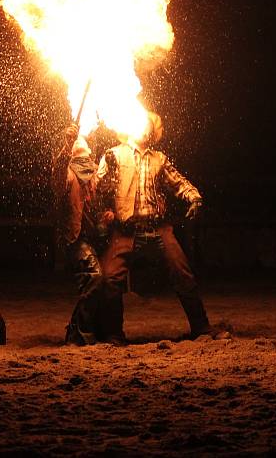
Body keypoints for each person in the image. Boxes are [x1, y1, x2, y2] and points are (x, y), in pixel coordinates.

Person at [96, 112, 229, 342]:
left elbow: (179, 183)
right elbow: (98, 189)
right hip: (127, 229)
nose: (145, 128)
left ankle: (201, 326)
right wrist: (105, 201)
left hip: (158, 228)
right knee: (109, 278)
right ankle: (113, 333)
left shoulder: (159, 158)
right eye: (141, 123)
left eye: (149, 126)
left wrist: (194, 197)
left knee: (182, 272)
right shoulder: (114, 155)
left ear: (153, 132)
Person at [52, 124, 118, 345]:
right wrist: (66, 145)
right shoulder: (68, 175)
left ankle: (99, 331)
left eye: (88, 154)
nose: (86, 159)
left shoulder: (94, 177)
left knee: (106, 280)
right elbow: (58, 169)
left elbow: (102, 205)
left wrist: (107, 215)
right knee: (94, 277)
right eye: (80, 154)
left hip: (95, 238)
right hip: (76, 239)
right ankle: (77, 333)